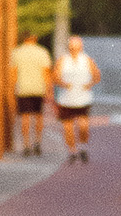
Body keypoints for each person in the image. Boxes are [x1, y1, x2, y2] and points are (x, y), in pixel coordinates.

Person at [54, 34, 100, 162]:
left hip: (83, 99)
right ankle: (72, 151)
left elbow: (97, 75)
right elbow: (55, 76)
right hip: (66, 99)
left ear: (81, 47)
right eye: (72, 47)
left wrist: (89, 84)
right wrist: (63, 83)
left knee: (83, 126)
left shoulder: (87, 60)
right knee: (67, 127)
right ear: (69, 47)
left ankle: (83, 147)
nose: (74, 49)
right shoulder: (63, 60)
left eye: (76, 47)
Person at [11, 31, 54, 155]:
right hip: (39, 88)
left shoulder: (17, 52)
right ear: (35, 38)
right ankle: (37, 142)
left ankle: (26, 144)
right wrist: (49, 90)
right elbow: (46, 72)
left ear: (23, 39)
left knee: (25, 117)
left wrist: (13, 88)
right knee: (39, 116)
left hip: (22, 88)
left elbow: (13, 73)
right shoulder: (42, 52)